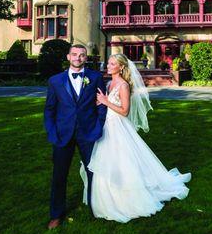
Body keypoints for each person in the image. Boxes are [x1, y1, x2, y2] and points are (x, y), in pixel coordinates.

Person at [80, 53, 191, 223]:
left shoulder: (123, 85)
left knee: (121, 161)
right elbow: (109, 104)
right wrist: (101, 102)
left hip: (117, 127)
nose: (108, 66)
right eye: (108, 63)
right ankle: (104, 199)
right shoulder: (110, 82)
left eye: (111, 64)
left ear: (121, 67)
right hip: (106, 125)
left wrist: (106, 101)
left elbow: (124, 111)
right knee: (105, 161)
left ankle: (126, 200)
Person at [44, 44, 107, 229]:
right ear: (68, 56)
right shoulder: (55, 81)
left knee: (94, 172)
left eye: (81, 55)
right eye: (74, 54)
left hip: (88, 133)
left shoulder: (95, 77)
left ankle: (97, 208)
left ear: (86, 58)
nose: (78, 58)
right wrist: (52, 132)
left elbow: (102, 104)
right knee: (59, 175)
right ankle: (56, 214)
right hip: (62, 135)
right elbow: (49, 109)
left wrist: (98, 126)